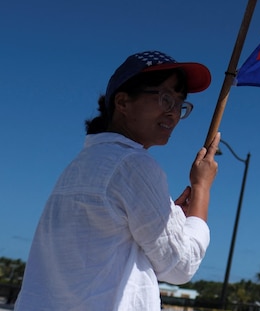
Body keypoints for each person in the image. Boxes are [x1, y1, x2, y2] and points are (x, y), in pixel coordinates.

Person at [15, 50, 221, 310]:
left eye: (180, 104)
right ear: (122, 102)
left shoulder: (82, 164)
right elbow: (181, 265)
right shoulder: (133, 164)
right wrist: (202, 188)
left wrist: (173, 218)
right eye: (166, 98)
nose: (174, 113)